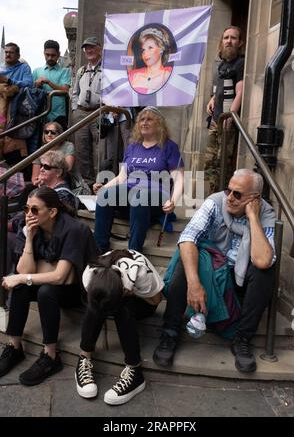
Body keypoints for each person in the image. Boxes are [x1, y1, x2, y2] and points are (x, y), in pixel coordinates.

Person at [153, 169, 276, 374]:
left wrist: (253, 217)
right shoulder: (215, 202)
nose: (230, 197)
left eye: (237, 194)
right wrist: (194, 284)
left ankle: (242, 339)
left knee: (266, 272)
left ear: (254, 199)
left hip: (237, 281)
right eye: (228, 190)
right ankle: (170, 331)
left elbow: (263, 260)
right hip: (210, 271)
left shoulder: (266, 213)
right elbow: (187, 238)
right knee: (188, 256)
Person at [0, 187, 99, 386]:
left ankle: (51, 356)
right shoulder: (27, 226)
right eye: (27, 208)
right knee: (22, 286)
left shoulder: (74, 229)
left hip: (77, 290)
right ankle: (15, 347)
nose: (29, 214)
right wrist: (29, 238)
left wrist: (23, 277)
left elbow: (61, 277)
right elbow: (24, 269)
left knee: (44, 290)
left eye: (35, 210)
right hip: (53, 280)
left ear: (52, 211)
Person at [75, 249, 164, 405]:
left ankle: (135, 370)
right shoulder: (90, 274)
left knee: (123, 307)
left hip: (142, 300)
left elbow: (156, 300)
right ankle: (84, 358)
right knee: (95, 303)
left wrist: (132, 291)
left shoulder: (141, 274)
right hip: (113, 286)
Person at [93, 106, 184, 253]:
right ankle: (99, 250)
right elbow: (122, 176)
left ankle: (133, 253)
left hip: (156, 194)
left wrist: (173, 200)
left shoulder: (169, 147)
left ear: (159, 123)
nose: (144, 122)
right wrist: (104, 188)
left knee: (140, 197)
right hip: (130, 191)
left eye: (149, 119)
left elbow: (178, 179)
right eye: (141, 119)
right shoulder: (133, 147)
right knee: (105, 196)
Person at [204, 26, 244, 194]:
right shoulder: (221, 65)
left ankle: (221, 200)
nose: (229, 41)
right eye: (226, 37)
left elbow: (241, 92)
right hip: (215, 120)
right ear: (221, 42)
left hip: (227, 121)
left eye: (233, 38)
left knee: (222, 164)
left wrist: (230, 117)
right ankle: (210, 198)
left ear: (240, 42)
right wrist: (212, 100)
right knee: (209, 163)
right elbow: (219, 89)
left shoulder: (241, 63)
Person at [71, 37, 102, 187]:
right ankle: (87, 186)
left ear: (99, 49)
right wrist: (75, 109)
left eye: (92, 47)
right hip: (81, 113)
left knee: (100, 151)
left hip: (99, 112)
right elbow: (74, 92)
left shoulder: (107, 69)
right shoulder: (81, 70)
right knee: (82, 151)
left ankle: (101, 184)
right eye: (86, 48)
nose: (89, 50)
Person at [32, 40, 71, 129]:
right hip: (40, 114)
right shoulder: (36, 71)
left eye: (53, 55)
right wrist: (36, 85)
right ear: (44, 53)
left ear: (58, 54)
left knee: (58, 142)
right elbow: (31, 91)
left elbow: (65, 90)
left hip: (58, 115)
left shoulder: (64, 71)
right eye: (47, 55)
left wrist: (48, 82)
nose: (50, 58)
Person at [128, 28, 172, 94]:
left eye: (150, 48)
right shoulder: (133, 75)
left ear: (161, 49)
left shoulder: (169, 75)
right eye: (143, 50)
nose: (145, 53)